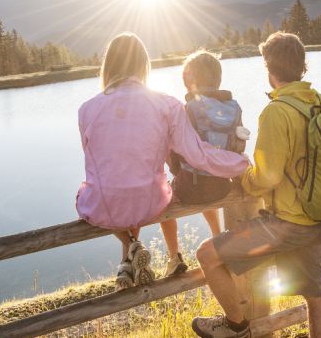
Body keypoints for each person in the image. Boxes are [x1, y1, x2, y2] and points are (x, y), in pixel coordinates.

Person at [192, 32, 321, 338]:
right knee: (315, 293)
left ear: (269, 69)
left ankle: (236, 325)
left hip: (285, 226)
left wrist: (243, 179)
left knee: (207, 255)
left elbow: (267, 176)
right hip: (318, 217)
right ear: (302, 65)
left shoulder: (276, 111)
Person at [76, 33, 249, 289]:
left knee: (86, 194)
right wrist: (239, 162)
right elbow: (197, 155)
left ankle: (130, 246)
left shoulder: (86, 109)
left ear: (108, 65)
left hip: (103, 206)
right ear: (143, 64)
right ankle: (137, 251)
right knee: (149, 185)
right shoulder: (167, 105)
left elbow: (93, 161)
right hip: (152, 202)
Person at [159, 50, 249, 277]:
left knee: (163, 193)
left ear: (189, 81)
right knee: (205, 173)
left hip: (191, 188)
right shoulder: (234, 107)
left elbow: (175, 151)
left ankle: (174, 256)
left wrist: (176, 171)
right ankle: (218, 235)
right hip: (222, 186)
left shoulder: (186, 108)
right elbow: (238, 146)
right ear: (217, 79)